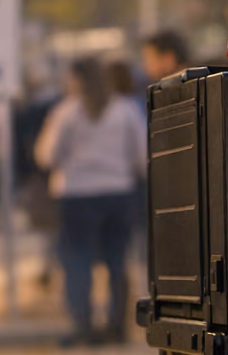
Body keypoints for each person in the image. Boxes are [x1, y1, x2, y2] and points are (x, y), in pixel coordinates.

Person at [36, 58, 147, 346]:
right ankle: (116, 326)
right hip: (118, 193)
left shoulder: (66, 112)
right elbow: (141, 157)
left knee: (77, 262)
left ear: (77, 79)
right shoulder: (125, 109)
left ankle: (82, 324)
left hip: (76, 195)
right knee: (116, 261)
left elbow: (47, 156)